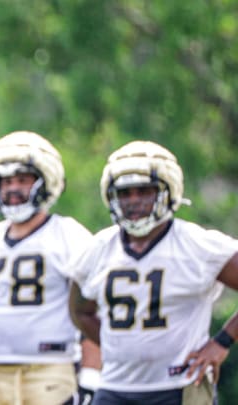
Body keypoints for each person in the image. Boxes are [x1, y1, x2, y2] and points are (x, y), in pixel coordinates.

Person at [69, 140, 238, 405]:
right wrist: (123, 347)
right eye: (125, 193)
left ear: (168, 191)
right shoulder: (98, 249)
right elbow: (80, 311)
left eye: (144, 191)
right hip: (115, 387)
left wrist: (222, 342)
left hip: (180, 386)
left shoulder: (196, 244)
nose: (134, 201)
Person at [0, 131, 100, 405]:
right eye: (5, 181)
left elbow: (90, 310)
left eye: (22, 180)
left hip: (50, 370)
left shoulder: (67, 235)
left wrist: (90, 377)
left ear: (44, 182)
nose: (12, 189)